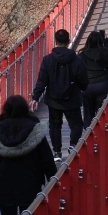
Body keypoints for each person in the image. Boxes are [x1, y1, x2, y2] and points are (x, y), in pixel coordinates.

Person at [31, 28, 88, 157]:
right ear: (68, 41)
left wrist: (35, 97)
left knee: (55, 125)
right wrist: (83, 87)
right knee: (76, 124)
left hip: (53, 99)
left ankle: (57, 152)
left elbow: (42, 80)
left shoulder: (47, 60)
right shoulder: (77, 60)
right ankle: (73, 145)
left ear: (55, 41)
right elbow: (83, 80)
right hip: (72, 98)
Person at [78, 30, 108, 126]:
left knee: (88, 113)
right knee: (102, 112)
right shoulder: (104, 53)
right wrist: (106, 40)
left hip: (87, 87)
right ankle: (102, 131)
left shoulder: (82, 55)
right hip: (103, 85)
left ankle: (89, 134)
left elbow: (77, 70)